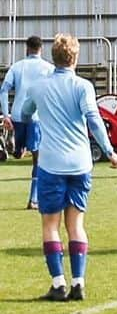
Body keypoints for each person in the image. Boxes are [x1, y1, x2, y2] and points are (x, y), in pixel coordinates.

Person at [21, 32, 117, 301]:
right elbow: (93, 119)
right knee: (76, 224)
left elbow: (23, 112)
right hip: (80, 163)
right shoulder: (82, 86)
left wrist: (32, 116)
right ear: (75, 57)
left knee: (50, 225)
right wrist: (110, 152)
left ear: (52, 57)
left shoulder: (39, 87)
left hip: (51, 164)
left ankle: (58, 284)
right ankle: (79, 283)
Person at [1, 35, 53, 209]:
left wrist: (6, 114)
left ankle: (16, 145)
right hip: (36, 117)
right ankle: (34, 199)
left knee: (18, 153)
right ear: (41, 49)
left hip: (16, 115)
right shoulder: (48, 68)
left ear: (26, 48)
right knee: (38, 159)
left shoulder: (17, 67)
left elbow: (4, 90)